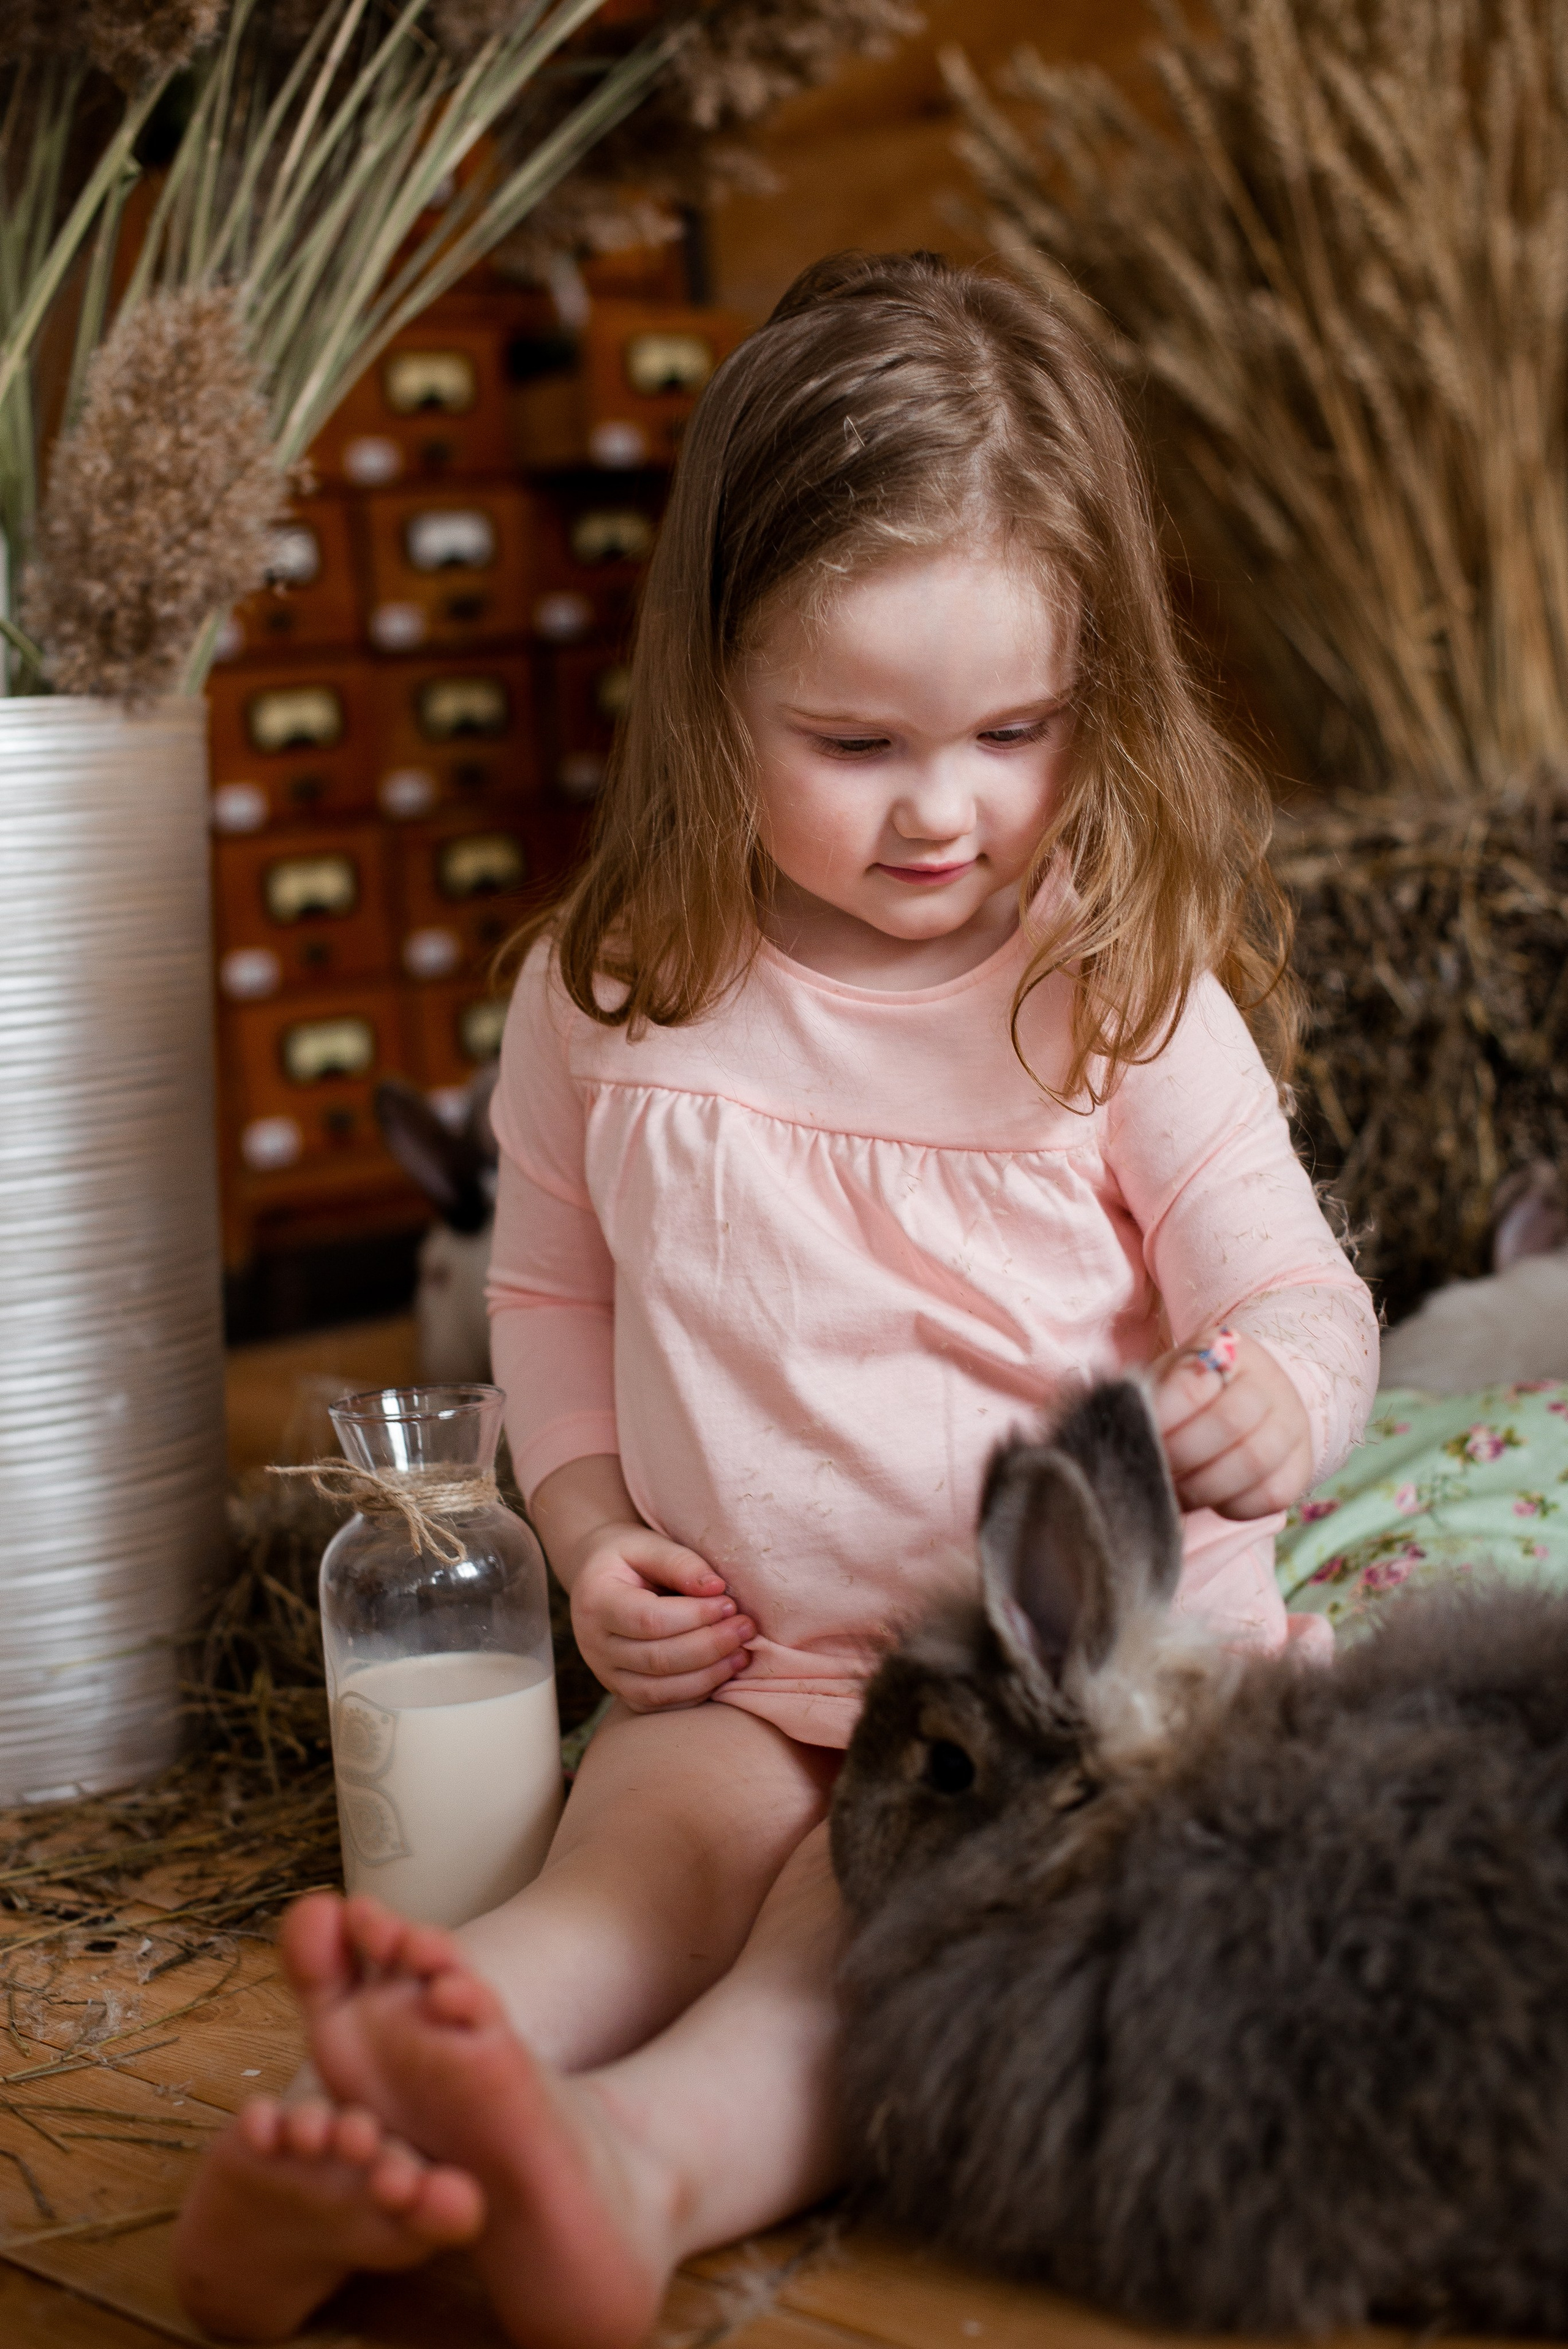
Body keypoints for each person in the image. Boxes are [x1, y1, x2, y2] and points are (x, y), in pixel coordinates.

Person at [173, 251, 1378, 2347]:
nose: (946, 806)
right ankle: (340, 2137)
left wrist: (1281, 1387)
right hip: (736, 1676)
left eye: (1016, 730)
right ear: (711, 688)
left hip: (1044, 1693)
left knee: (840, 1954)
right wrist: (584, 1531)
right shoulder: (614, 984)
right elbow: (543, 1289)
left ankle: (630, 2179)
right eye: (856, 739)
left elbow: (1296, 1285)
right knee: (607, 1891)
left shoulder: (1116, 991)